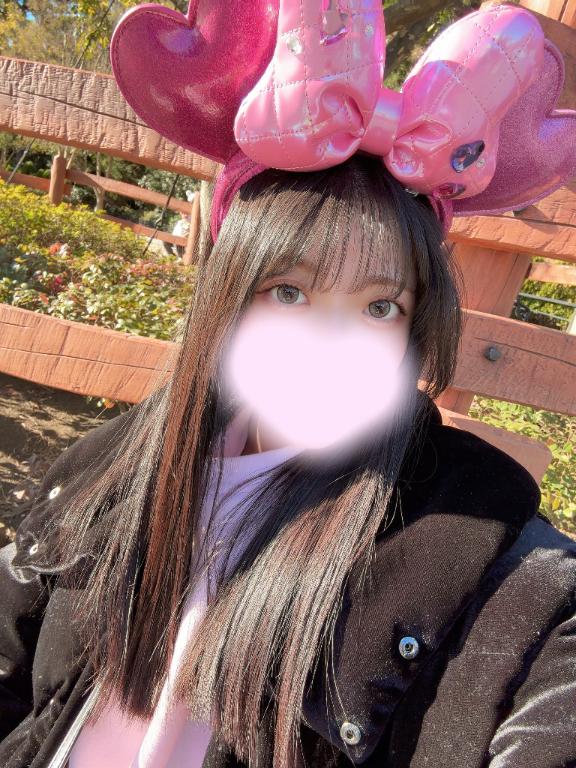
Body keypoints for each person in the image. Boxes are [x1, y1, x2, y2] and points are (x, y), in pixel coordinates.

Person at [1, 2, 575, 768]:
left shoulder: (471, 543)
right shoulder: (115, 465)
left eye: (379, 306)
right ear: (227, 298)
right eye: (290, 292)